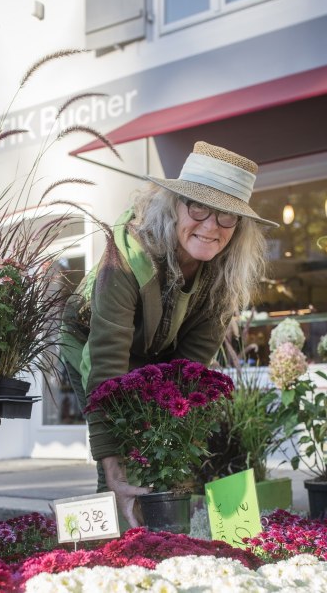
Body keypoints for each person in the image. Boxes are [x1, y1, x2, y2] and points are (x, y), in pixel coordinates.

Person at [60, 141, 277, 527]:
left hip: (153, 353)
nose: (211, 226)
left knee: (159, 452)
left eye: (227, 216)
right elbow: (106, 365)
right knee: (119, 462)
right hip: (91, 344)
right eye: (198, 208)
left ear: (238, 225)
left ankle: (163, 539)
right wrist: (114, 467)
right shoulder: (126, 256)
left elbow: (189, 370)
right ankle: (109, 553)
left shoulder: (223, 276)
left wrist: (175, 446)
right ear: (175, 204)